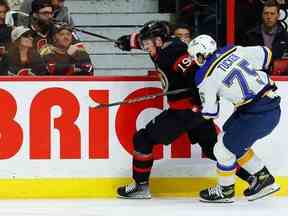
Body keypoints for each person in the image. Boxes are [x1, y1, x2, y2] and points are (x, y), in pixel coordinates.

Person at [114, 21, 254, 199]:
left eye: (146, 43)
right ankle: (253, 177)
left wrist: (196, 99)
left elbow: (197, 77)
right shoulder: (162, 46)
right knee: (213, 149)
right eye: (143, 43)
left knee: (142, 138)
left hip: (185, 112)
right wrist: (128, 41)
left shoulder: (174, 54)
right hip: (195, 113)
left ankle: (141, 187)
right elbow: (142, 42)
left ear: (158, 41)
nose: (144, 46)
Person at [188, 34, 281, 203]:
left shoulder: (204, 76)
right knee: (226, 139)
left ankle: (226, 190)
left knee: (223, 150)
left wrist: (199, 103)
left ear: (200, 55)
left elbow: (210, 113)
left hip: (256, 114)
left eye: (195, 57)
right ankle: (263, 178)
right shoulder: (233, 49)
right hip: (268, 104)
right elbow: (266, 54)